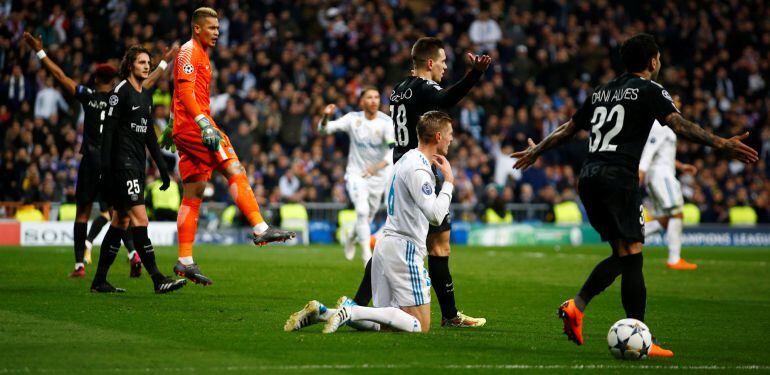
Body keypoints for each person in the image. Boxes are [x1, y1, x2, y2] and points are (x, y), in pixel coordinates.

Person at [511, 33, 758, 356]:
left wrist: (538, 150)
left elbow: (569, 128)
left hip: (588, 177)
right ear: (653, 61)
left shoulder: (601, 91)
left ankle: (578, 306)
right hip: (618, 177)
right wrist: (721, 143)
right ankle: (640, 335)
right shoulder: (651, 90)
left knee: (624, 254)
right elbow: (678, 124)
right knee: (633, 255)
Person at [346, 37, 490, 328]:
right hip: (419, 169)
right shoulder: (425, 88)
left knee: (394, 237)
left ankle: (357, 304)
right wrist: (474, 75)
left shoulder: (399, 89)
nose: (445, 67)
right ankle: (449, 316)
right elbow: (447, 99)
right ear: (429, 63)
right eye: (443, 62)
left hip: (400, 166)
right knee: (439, 246)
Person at [23, 32, 177, 278]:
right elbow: (149, 81)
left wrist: (40, 52)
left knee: (86, 213)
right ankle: (133, 257)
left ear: (95, 78)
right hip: (117, 161)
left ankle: (79, 265)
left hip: (93, 159)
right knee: (121, 214)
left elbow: (60, 76)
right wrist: (164, 61)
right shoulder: (125, 94)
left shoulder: (90, 96)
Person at [158, 7, 294, 286]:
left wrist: (172, 125)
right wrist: (202, 124)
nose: (217, 33)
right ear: (197, 28)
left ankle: (184, 261)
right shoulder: (188, 52)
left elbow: (178, 92)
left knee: (193, 192)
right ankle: (259, 227)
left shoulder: (201, 55)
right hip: (197, 126)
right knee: (234, 166)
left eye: (218, 29)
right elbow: (183, 92)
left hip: (186, 126)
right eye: (211, 28)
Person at [285, 111, 455, 334]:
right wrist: (449, 183)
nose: (453, 138)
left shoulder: (406, 159)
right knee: (419, 325)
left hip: (388, 245)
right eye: (450, 133)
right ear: (438, 137)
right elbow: (435, 215)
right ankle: (351, 311)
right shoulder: (419, 168)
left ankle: (325, 313)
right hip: (404, 249)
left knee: (388, 322)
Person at [90, 45, 187, 294]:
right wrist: (105, 171)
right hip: (123, 166)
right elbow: (108, 133)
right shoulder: (120, 92)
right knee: (140, 219)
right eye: (142, 62)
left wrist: (163, 168)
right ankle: (157, 278)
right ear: (130, 65)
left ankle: (99, 280)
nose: (146, 66)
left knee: (120, 221)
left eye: (148, 62)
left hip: (137, 165)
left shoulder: (145, 95)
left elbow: (149, 139)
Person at [318, 87, 395, 265]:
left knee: (366, 218)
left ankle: (351, 238)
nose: (374, 100)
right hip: (356, 174)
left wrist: (377, 167)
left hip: (378, 176)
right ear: (362, 102)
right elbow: (324, 130)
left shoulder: (386, 123)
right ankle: (367, 256)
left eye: (377, 97)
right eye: (369, 97)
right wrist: (325, 117)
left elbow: (393, 151)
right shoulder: (353, 119)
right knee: (361, 211)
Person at [638, 94, 698, 270]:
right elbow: (649, 151)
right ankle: (674, 259)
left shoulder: (666, 125)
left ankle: (632, 238)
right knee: (677, 213)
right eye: (675, 100)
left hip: (659, 173)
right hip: (661, 175)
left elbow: (661, 153)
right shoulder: (661, 124)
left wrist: (680, 166)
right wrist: (640, 172)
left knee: (665, 219)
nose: (678, 103)